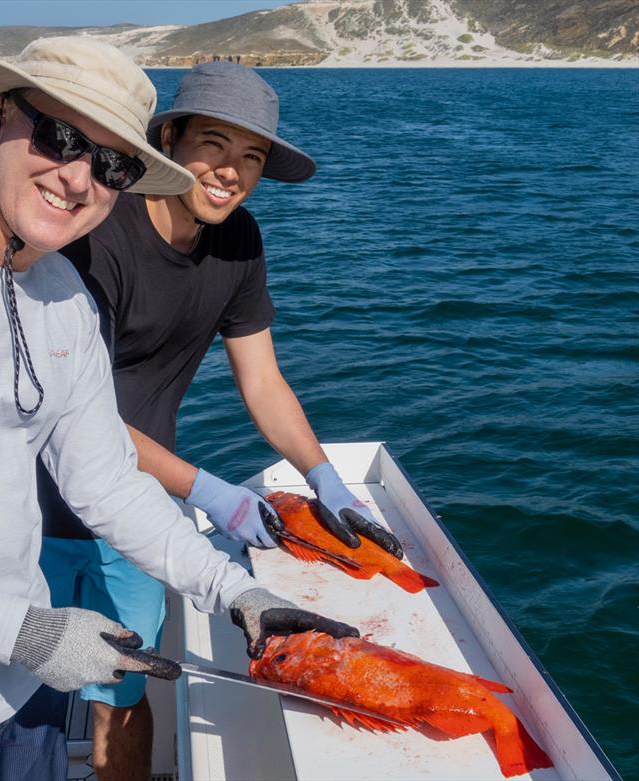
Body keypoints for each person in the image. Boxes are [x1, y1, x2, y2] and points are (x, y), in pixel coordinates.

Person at [0, 40, 358, 781]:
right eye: (60, 136)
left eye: (113, 163)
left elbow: (106, 482)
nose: (79, 177)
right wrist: (27, 630)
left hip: (13, 704)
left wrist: (234, 589)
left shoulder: (61, 299)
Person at [38, 61, 404, 780]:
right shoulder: (98, 237)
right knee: (20, 693)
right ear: (168, 138)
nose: (230, 171)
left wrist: (323, 475)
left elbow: (262, 380)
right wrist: (212, 491)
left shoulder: (240, 242)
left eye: (252, 156)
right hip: (36, 506)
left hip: (139, 511)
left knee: (123, 691)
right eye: (214, 144)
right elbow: (78, 413)